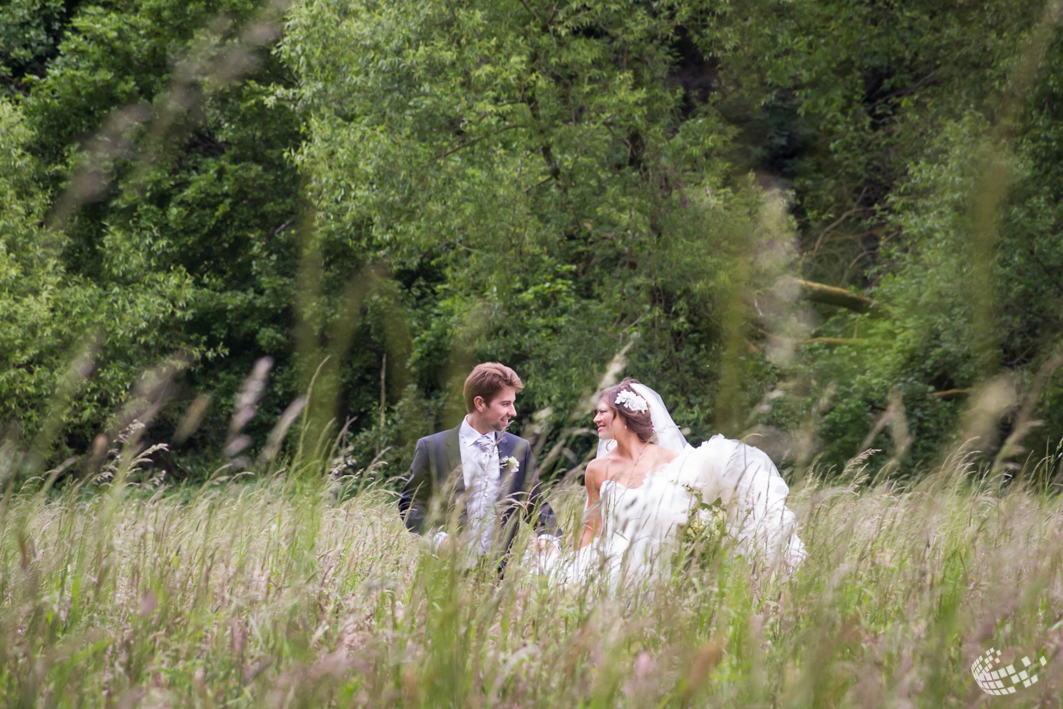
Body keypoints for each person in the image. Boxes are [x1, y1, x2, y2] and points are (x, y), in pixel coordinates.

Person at [539, 378, 806, 587]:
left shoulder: (673, 459)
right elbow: (591, 526)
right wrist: (572, 567)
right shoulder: (597, 468)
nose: (596, 419)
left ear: (626, 415)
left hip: (658, 562)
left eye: (602, 413)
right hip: (608, 561)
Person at [398, 362, 559, 565]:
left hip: (500, 575)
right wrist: (439, 540)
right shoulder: (432, 447)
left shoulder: (519, 448)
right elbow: (411, 506)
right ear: (480, 403)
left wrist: (548, 538)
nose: (514, 412)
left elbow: (536, 505)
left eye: (513, 403)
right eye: (505, 404)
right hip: (443, 573)